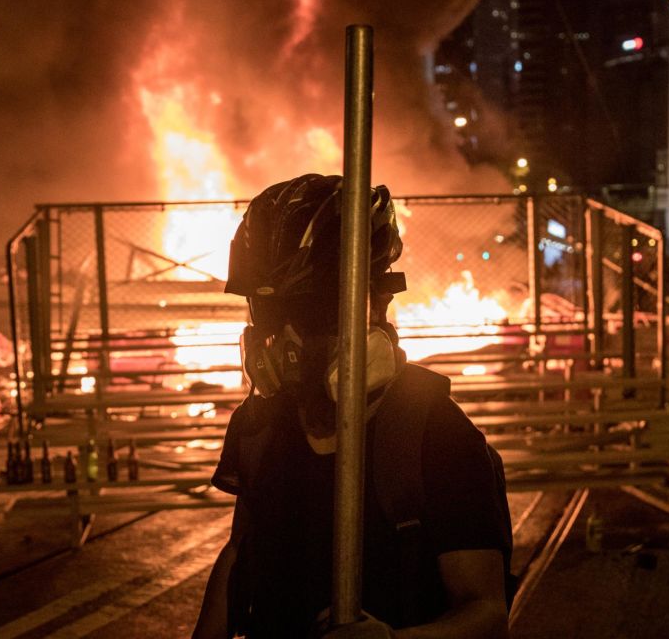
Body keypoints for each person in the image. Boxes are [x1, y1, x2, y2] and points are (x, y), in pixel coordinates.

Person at [193, 175, 510, 639]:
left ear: (373, 304)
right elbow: (242, 550)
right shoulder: (260, 423)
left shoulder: (434, 432)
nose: (284, 337)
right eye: (267, 312)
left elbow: (486, 613)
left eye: (310, 311)